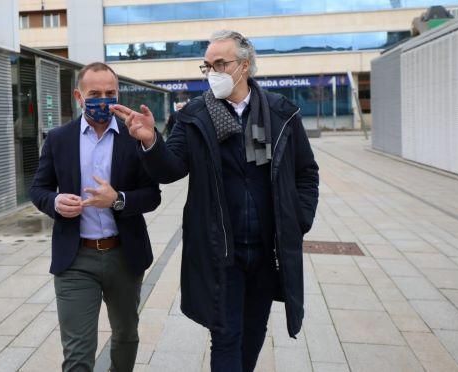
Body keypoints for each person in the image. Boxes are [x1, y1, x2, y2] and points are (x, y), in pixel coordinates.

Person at [111, 30, 319, 372]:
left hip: (268, 250)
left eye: (220, 63)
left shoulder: (280, 113)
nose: (213, 72)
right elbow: (171, 168)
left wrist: (298, 219)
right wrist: (150, 141)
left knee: (253, 333)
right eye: (207, 66)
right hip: (221, 251)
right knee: (225, 336)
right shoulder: (195, 115)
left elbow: (306, 173)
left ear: (245, 65)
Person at [30, 62, 161, 372]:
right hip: (75, 258)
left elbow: (153, 195)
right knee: (77, 353)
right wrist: (56, 202)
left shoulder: (133, 137)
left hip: (124, 255)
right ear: (79, 96)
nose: (103, 99)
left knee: (126, 336)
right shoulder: (59, 139)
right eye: (95, 93)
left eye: (110, 93)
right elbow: (39, 189)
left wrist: (118, 200)